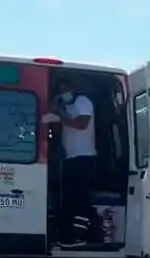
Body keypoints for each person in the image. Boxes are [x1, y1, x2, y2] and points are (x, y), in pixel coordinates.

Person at [53, 78, 97, 247]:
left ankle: (81, 237)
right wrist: (55, 110)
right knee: (69, 199)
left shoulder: (83, 102)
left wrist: (60, 116)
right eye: (60, 89)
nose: (63, 92)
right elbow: (57, 129)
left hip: (84, 158)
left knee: (80, 199)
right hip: (69, 159)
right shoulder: (66, 107)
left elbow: (82, 123)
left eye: (65, 87)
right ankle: (67, 235)